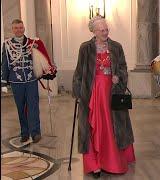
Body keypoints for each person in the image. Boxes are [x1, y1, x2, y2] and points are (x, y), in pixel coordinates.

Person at [72, 16, 135, 178]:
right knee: (93, 127)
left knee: (113, 126)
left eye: (107, 29)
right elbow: (79, 72)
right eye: (102, 30)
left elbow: (123, 67)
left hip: (112, 92)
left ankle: (113, 162)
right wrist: (78, 92)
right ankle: (95, 165)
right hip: (92, 94)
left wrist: (118, 78)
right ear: (93, 31)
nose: (105, 32)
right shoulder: (85, 48)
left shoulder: (116, 47)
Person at [1, 19, 57, 143]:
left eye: (20, 27)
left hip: (31, 79)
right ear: (12, 29)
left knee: (33, 107)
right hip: (16, 82)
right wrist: (3, 82)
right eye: (16, 28)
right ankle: (24, 133)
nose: (18, 30)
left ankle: (36, 132)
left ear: (24, 28)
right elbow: (4, 64)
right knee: (20, 108)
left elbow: (42, 58)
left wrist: (47, 70)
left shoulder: (32, 43)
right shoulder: (7, 44)